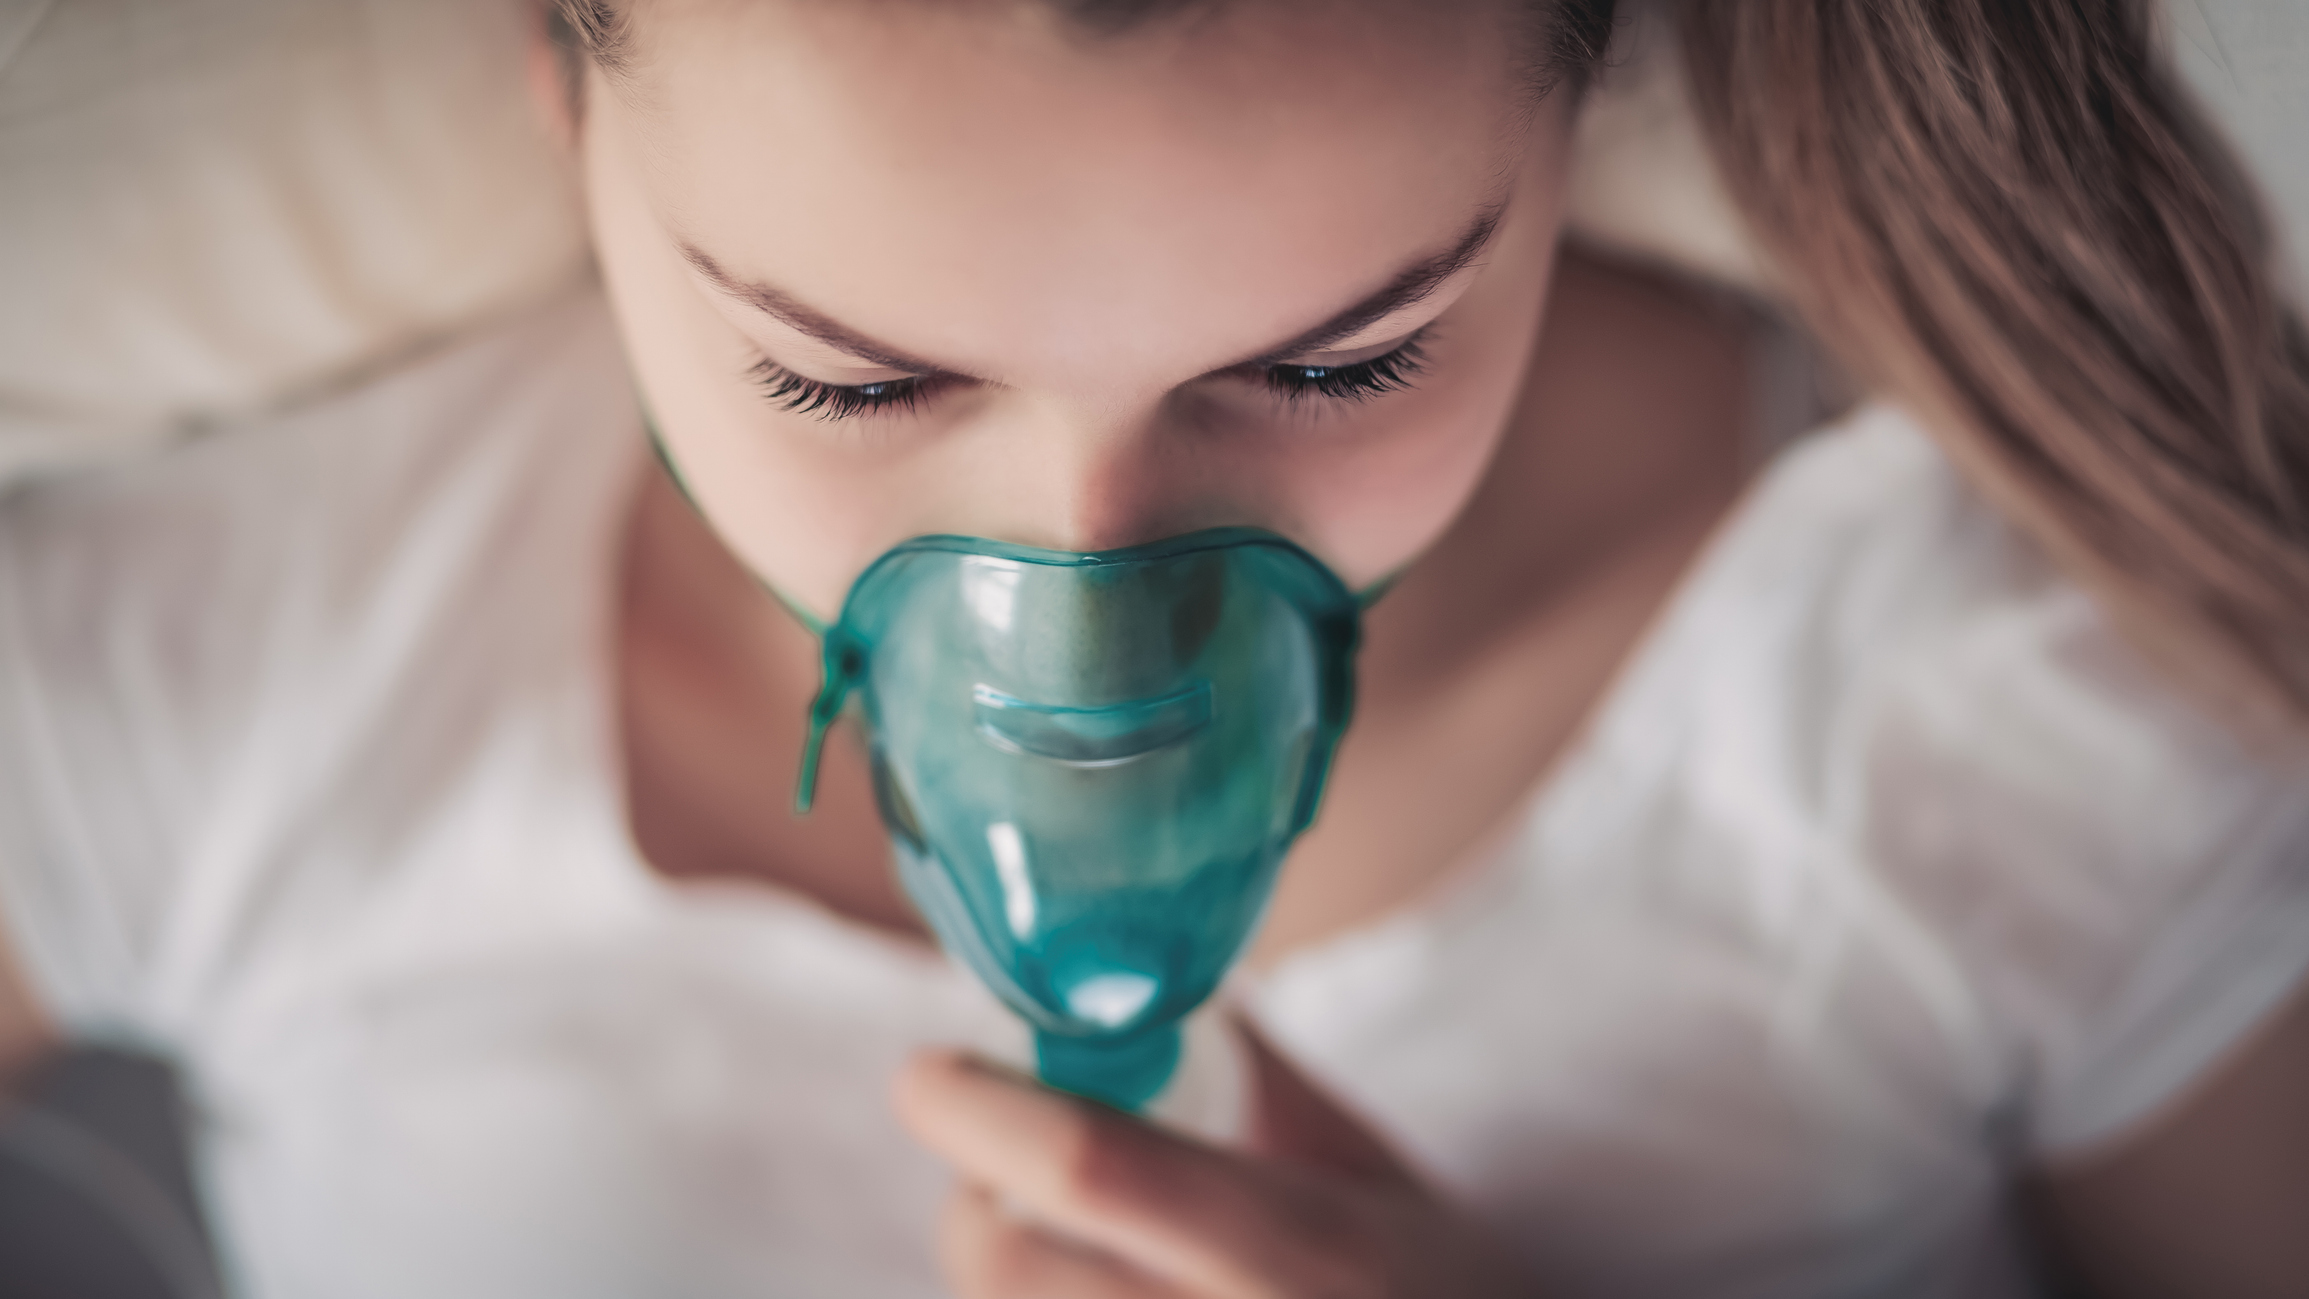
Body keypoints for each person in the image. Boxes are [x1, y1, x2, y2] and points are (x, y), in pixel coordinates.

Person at [1, 0, 2305, 1295]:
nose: (1089, 583)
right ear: (560, 106)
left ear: (1584, 90)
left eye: (1337, 362)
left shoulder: (2011, 703)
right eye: (850, 378)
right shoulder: (230, 669)